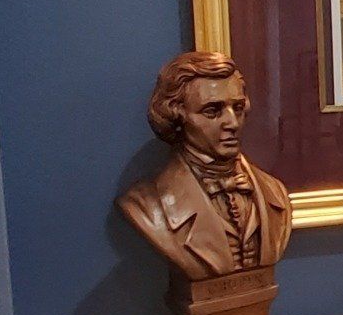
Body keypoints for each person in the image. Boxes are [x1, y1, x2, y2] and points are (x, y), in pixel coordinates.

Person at [116, 50, 292, 278]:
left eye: (237, 108)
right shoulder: (146, 204)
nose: (232, 122)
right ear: (177, 115)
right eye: (212, 111)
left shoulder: (275, 193)